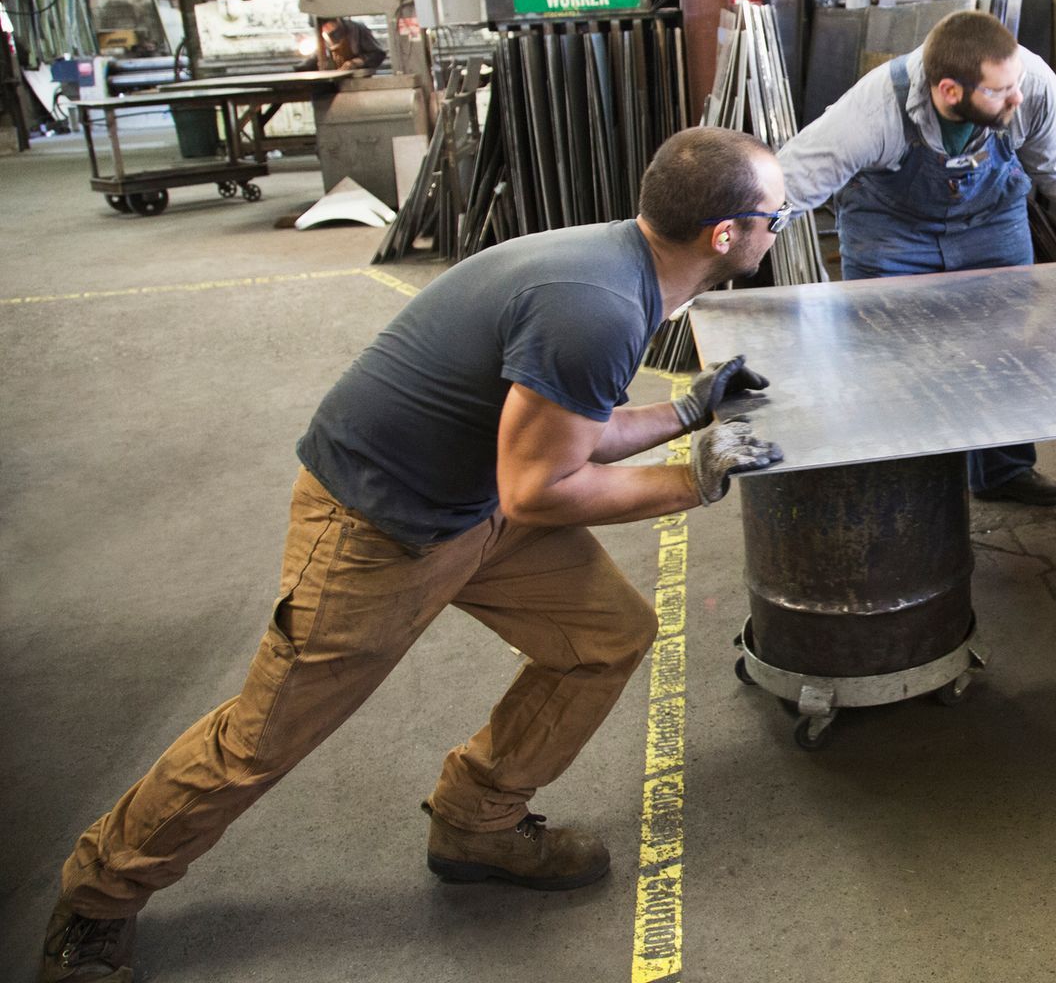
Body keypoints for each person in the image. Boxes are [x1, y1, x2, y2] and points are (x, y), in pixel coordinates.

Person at [41, 127, 788, 982]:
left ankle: (478, 822)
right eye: (775, 215)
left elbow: (559, 444)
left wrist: (689, 414)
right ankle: (95, 899)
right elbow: (540, 491)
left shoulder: (620, 267)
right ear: (724, 235)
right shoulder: (601, 309)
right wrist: (693, 480)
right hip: (377, 525)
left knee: (606, 636)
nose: (781, 227)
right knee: (262, 738)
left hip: (472, 501)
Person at [777, 9, 1056, 508]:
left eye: (1017, 84)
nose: (1017, 97)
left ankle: (1002, 472)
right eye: (999, 92)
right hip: (892, 230)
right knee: (890, 360)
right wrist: (712, 262)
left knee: (1006, 347)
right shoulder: (872, 111)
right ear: (949, 91)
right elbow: (785, 189)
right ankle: (905, 490)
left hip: (991, 221)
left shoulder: (1029, 84)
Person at [297, 15, 387, 73]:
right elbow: (315, 59)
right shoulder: (322, 37)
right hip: (332, 84)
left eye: (327, 25)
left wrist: (355, 63)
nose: (326, 30)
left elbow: (377, 54)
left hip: (358, 80)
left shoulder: (356, 29)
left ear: (336, 19)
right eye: (322, 28)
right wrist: (300, 69)